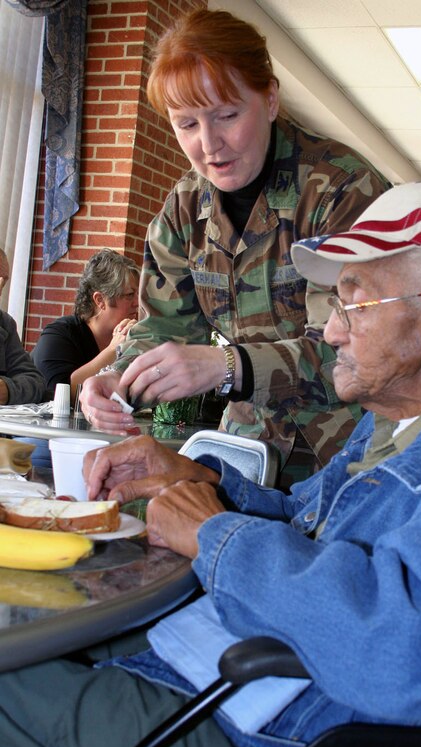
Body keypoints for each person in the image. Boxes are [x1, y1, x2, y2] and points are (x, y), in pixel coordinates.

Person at [0, 182, 421, 747]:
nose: (330, 330)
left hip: (311, 743)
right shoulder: (404, 413)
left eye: (353, 305)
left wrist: (216, 535)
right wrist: (196, 479)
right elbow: (307, 521)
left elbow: (411, 647)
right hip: (266, 675)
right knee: (50, 637)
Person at [78, 7, 391, 488]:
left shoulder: (341, 190)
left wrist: (226, 366)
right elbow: (163, 327)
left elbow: (355, 353)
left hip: (351, 453)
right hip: (247, 450)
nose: (209, 145)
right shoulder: (184, 209)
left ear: (269, 100)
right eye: (186, 124)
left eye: (227, 115)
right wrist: (119, 379)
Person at [32, 248, 139, 403]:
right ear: (100, 300)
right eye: (129, 295)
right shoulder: (59, 336)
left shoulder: (134, 339)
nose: (137, 303)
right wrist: (113, 350)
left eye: (138, 295)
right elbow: (62, 395)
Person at [0, 247, 47, 405]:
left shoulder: (4, 324)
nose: (0, 289)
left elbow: (35, 381)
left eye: (3, 280)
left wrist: (8, 390)